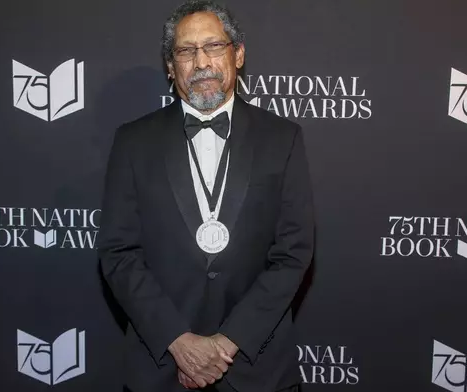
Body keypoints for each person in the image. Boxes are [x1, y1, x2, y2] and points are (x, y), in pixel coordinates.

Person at [97, 1, 315, 391]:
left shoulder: (283, 138)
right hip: (160, 366)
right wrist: (179, 342)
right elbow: (119, 253)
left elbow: (294, 252)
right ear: (170, 65)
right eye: (186, 51)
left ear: (239, 54)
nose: (201, 62)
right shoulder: (133, 141)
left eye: (214, 46)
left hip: (258, 368)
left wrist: (228, 342)